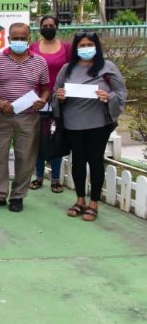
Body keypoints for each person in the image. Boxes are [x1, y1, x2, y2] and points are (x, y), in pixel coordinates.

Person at [55, 31, 127, 222]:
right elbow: (56, 93)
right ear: (76, 48)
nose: (86, 49)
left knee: (95, 161)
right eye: (81, 45)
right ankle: (80, 200)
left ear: (97, 47)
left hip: (98, 124)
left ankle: (94, 203)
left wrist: (108, 97)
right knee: (77, 161)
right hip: (73, 123)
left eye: (89, 45)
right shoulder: (67, 69)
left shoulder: (108, 67)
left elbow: (121, 92)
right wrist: (59, 97)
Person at [0, 23, 50, 213]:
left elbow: (46, 87)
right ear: (8, 39)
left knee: (25, 157)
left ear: (29, 39)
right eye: (15, 37)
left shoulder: (40, 62)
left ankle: (17, 197)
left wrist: (43, 99)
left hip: (29, 117)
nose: (19, 41)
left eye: (23, 38)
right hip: (2, 116)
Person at [29, 15, 71, 193]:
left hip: (60, 99)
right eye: (44, 25)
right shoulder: (33, 47)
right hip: (37, 100)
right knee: (37, 139)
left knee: (56, 138)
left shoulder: (67, 48)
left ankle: (55, 179)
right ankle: (38, 177)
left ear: (57, 27)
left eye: (51, 25)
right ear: (40, 28)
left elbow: (72, 70)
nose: (48, 28)